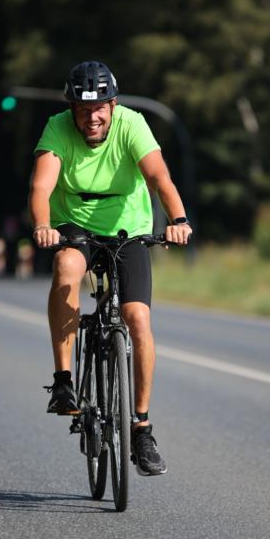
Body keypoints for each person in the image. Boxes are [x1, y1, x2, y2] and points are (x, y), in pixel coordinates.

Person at [29, 61, 192, 476]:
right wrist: (44, 226)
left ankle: (141, 427)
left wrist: (177, 219)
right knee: (66, 266)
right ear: (72, 110)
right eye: (83, 110)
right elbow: (42, 187)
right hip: (75, 226)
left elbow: (158, 176)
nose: (92, 117)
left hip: (129, 229)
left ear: (113, 105)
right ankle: (64, 380)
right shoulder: (57, 129)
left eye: (100, 108)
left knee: (137, 319)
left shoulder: (133, 125)